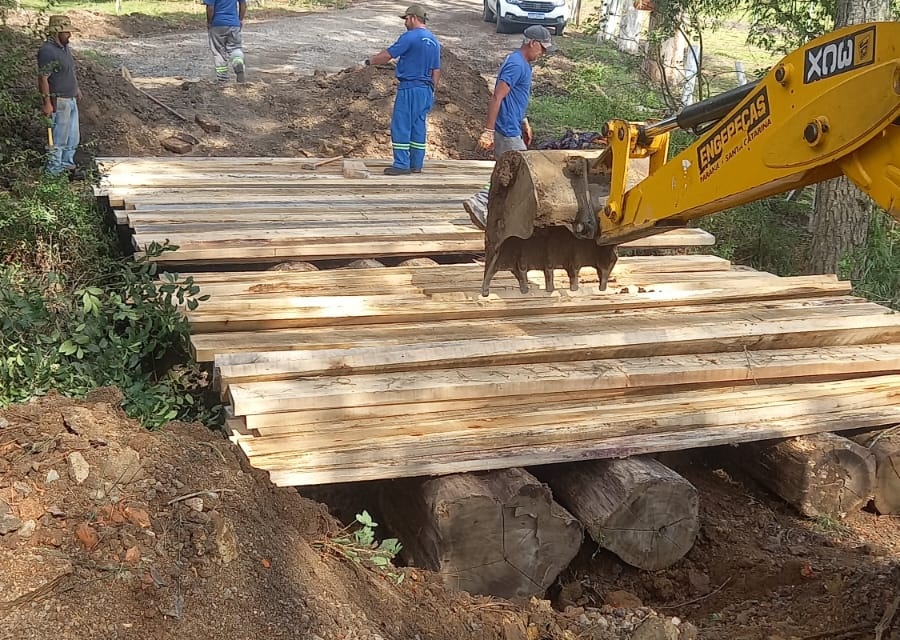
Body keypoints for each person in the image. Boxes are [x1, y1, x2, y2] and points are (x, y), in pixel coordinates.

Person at [463, 24, 554, 229]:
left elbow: (516, 97)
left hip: (513, 124)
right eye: (542, 48)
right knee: (519, 171)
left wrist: (524, 120)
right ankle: (481, 200)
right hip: (506, 128)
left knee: (511, 171)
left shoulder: (523, 64)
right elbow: (497, 96)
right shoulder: (516, 64)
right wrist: (489, 131)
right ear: (532, 43)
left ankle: (494, 210)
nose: (543, 53)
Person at [358, 4, 441, 175]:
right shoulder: (434, 41)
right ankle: (416, 164)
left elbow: (388, 55)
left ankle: (402, 164)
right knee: (418, 126)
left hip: (410, 88)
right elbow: (436, 70)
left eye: (406, 19)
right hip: (426, 89)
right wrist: (431, 91)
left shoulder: (410, 37)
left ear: (413, 18)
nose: (405, 23)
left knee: (401, 125)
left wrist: (368, 62)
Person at [37, 15, 82, 176]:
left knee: (73, 137)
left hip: (71, 99)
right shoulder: (47, 51)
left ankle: (67, 166)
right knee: (59, 139)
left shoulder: (64, 47)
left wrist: (76, 88)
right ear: (57, 32)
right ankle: (53, 171)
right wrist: (47, 103)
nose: (70, 35)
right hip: (59, 101)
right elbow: (43, 78)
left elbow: (68, 70)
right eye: (66, 32)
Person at [204, 0, 247, 83]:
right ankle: (238, 63)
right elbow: (243, 4)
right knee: (235, 48)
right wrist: (240, 20)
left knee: (218, 52)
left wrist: (209, 22)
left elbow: (210, 8)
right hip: (234, 24)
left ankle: (223, 79)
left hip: (217, 24)